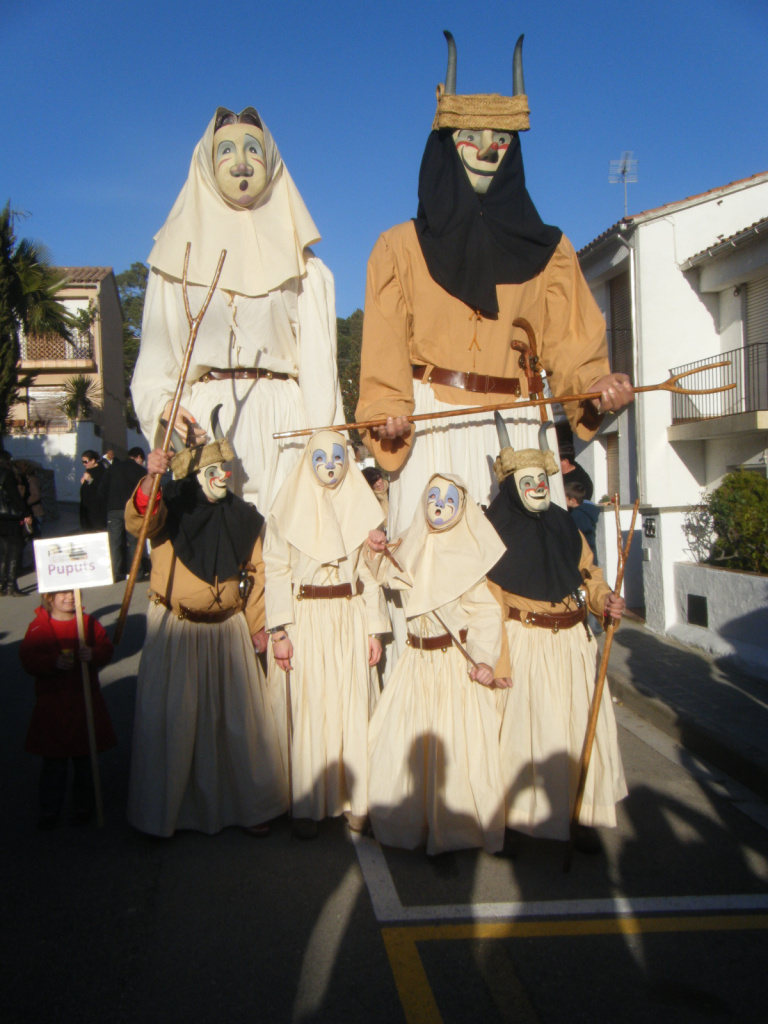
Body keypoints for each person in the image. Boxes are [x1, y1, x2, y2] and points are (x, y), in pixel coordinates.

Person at [356, 32, 633, 538]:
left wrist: (593, 383)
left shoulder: (551, 252)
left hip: (522, 428)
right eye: (471, 136)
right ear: (445, 146)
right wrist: (387, 408)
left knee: (524, 565)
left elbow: (572, 343)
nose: (487, 149)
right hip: (435, 424)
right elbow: (384, 348)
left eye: (502, 140)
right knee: (436, 567)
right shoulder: (399, 248)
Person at [131, 105, 343, 514]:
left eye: (254, 150)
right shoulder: (174, 263)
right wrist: (167, 413)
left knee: (287, 537)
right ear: (207, 164)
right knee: (213, 539)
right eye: (226, 151)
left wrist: (327, 440)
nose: (242, 164)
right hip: (205, 422)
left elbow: (319, 367)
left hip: (285, 421)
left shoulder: (304, 264)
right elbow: (156, 366)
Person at [125, 434, 287, 838]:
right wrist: (151, 479)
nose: (222, 476)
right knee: (175, 723)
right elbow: (140, 520)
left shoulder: (243, 516)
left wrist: (257, 623)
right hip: (177, 631)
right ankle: (165, 814)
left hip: (228, 632)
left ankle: (249, 807)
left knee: (237, 725)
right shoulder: (169, 507)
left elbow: (257, 571)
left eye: (224, 469)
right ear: (194, 477)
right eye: (212, 470)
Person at [485, 439, 627, 850]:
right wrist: (500, 662)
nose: (537, 487)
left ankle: (578, 814)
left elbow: (590, 574)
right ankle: (515, 821)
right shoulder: (492, 533)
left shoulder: (566, 525)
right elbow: (489, 604)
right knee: (526, 735)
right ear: (511, 487)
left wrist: (605, 601)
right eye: (527, 481)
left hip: (573, 646)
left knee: (576, 731)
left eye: (543, 480)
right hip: (524, 644)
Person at [366, 473, 511, 855]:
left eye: (449, 500)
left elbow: (485, 614)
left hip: (452, 666)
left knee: (456, 748)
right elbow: (382, 574)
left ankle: (455, 829)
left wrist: (483, 658)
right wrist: (374, 549)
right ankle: (405, 821)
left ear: (461, 507)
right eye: (433, 497)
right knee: (400, 742)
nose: (439, 505)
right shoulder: (408, 543)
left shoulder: (469, 555)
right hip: (416, 661)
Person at [264, 430, 388, 839]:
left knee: (352, 704)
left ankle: (356, 800)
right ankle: (307, 802)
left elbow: (368, 576)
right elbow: (276, 571)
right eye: (321, 458)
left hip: (350, 616)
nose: (330, 465)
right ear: (309, 462)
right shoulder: (285, 510)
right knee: (311, 706)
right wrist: (279, 631)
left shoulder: (362, 510)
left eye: (337, 457)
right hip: (305, 618)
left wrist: (374, 629)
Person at [20, 590, 116, 829]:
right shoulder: (39, 627)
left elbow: (106, 648)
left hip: (84, 702)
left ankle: (84, 806)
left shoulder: (88, 623)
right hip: (53, 706)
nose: (70, 597)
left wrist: (93, 654)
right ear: (49, 598)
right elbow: (28, 659)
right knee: (54, 763)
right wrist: (52, 662)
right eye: (63, 593)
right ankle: (50, 810)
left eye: (74, 592)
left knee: (85, 761)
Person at [99, 447, 146, 581]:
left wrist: (109, 502)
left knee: (115, 542)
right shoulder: (139, 470)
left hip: (113, 509)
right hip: (132, 509)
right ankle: (137, 573)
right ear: (138, 457)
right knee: (134, 542)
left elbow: (101, 489)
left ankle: (115, 573)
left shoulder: (112, 468)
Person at [0, 448, 32, 596]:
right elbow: (15, 497)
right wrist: (26, 513)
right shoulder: (7, 475)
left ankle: (2, 584)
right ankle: (12, 586)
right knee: (14, 551)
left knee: (3, 552)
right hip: (10, 519)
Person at [78, 450, 106, 533]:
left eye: (86, 462)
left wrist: (90, 480)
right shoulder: (89, 470)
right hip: (86, 507)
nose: (84, 464)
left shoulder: (101, 471)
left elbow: (101, 487)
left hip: (96, 509)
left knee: (97, 531)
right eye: (83, 462)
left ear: (93, 461)